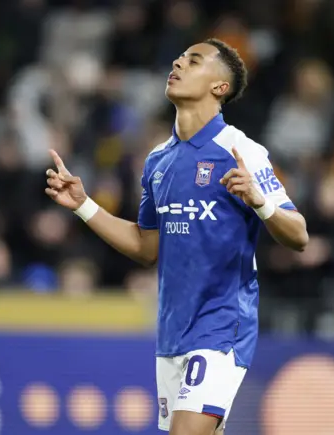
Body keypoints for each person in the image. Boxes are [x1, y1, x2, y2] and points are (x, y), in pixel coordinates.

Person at [45, 38, 309, 435]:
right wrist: (85, 206)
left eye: (194, 60)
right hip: (171, 332)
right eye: (180, 57)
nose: (178, 62)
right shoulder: (158, 161)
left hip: (221, 326)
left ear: (219, 86)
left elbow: (299, 234)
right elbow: (147, 246)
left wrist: (260, 201)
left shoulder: (240, 150)